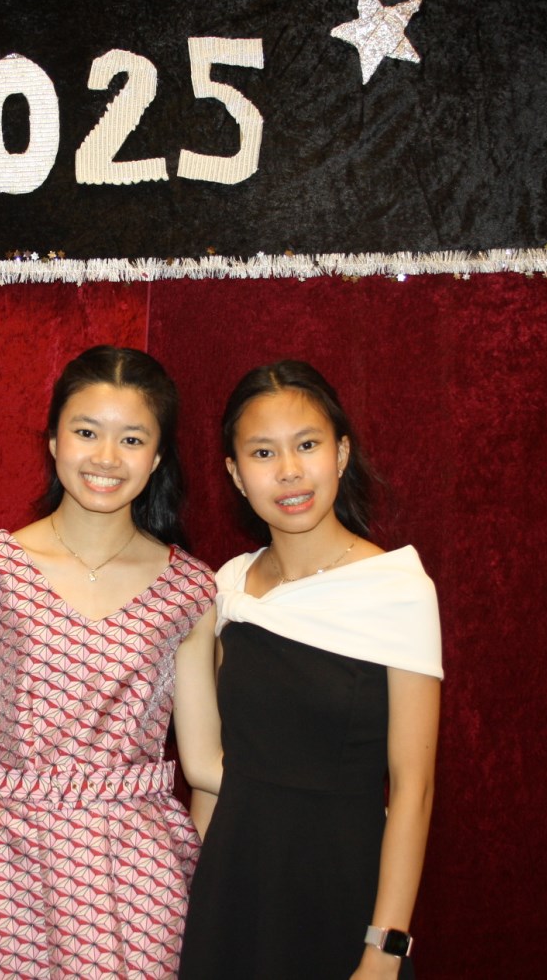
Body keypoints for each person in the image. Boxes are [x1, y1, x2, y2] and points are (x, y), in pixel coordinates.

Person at [0, 345, 222, 980]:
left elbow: (205, 765)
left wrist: (207, 888)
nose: (106, 458)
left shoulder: (191, 590)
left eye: (132, 439)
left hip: (141, 881)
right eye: (86, 432)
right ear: (53, 441)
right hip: (3, 869)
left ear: (158, 457)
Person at [179, 360, 442, 980]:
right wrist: (189, 898)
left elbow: (414, 789)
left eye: (307, 445)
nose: (289, 471)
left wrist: (384, 949)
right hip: (232, 891)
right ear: (235, 474)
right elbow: (216, 775)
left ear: (341, 453)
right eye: (263, 452)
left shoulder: (396, 587)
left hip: (341, 894)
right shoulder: (229, 587)